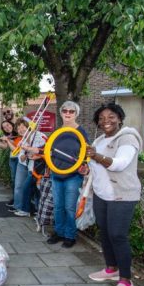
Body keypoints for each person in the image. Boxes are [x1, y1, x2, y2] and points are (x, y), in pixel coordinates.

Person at [84, 103, 141, 286]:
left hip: (122, 196)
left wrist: (96, 156)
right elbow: (95, 166)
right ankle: (111, 268)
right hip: (102, 195)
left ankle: (126, 280)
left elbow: (119, 164)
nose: (105, 121)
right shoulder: (100, 139)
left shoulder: (127, 138)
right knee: (105, 233)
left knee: (118, 235)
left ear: (119, 118)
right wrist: (87, 167)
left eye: (111, 117)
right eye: (101, 118)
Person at [47, 101, 89, 248]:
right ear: (61, 113)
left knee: (69, 207)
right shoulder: (56, 132)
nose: (68, 113)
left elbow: (86, 153)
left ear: (76, 114)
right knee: (58, 206)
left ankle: (70, 235)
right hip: (56, 174)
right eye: (65, 110)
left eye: (71, 111)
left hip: (73, 176)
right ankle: (59, 232)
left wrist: (83, 165)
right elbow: (48, 151)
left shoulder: (81, 132)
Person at [0, 120, 19, 207]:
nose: (7, 128)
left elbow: (17, 146)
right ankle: (15, 198)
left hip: (21, 159)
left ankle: (18, 201)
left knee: (19, 182)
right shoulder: (7, 136)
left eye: (7, 125)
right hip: (13, 159)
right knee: (14, 180)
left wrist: (8, 141)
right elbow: (4, 147)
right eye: (4, 127)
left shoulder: (20, 131)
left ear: (11, 124)